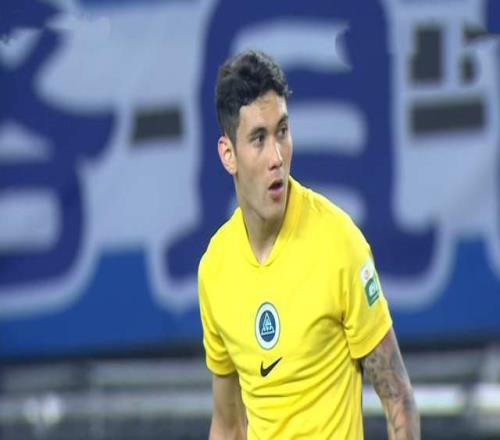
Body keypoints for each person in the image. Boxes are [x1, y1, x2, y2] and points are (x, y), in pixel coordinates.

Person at [197, 49, 420, 439]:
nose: (277, 157)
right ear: (228, 154)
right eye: (258, 139)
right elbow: (229, 426)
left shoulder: (339, 243)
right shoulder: (215, 269)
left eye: (282, 132)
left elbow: (399, 401)